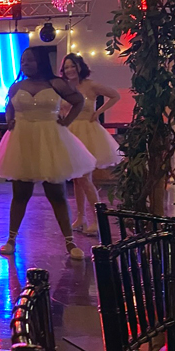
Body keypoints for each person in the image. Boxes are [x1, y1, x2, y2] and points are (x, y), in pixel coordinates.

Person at [0, 47, 97, 260]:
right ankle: (11, 239)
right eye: (23, 61)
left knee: (56, 193)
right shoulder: (17, 86)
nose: (25, 65)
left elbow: (79, 101)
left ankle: (69, 242)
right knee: (20, 193)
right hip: (22, 139)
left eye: (29, 61)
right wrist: (9, 119)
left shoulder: (55, 83)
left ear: (41, 62)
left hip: (49, 138)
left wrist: (66, 121)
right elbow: (9, 106)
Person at [60, 53, 122, 236]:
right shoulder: (64, 88)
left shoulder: (91, 85)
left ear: (80, 67)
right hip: (70, 133)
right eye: (66, 67)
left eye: (73, 66)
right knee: (77, 179)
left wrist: (98, 113)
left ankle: (98, 220)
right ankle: (81, 218)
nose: (69, 70)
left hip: (87, 132)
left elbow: (115, 95)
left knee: (85, 179)